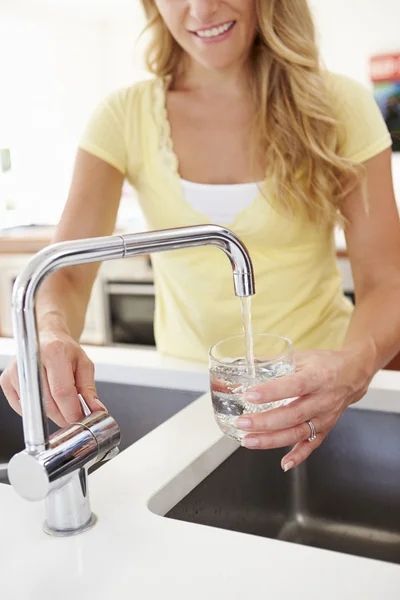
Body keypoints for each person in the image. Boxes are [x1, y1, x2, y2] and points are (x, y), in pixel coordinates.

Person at [2, 0, 400, 473]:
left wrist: (352, 368)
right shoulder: (122, 116)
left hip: (323, 394)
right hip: (187, 400)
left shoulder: (341, 105)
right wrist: (49, 332)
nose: (202, 9)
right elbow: (66, 276)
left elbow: (387, 280)